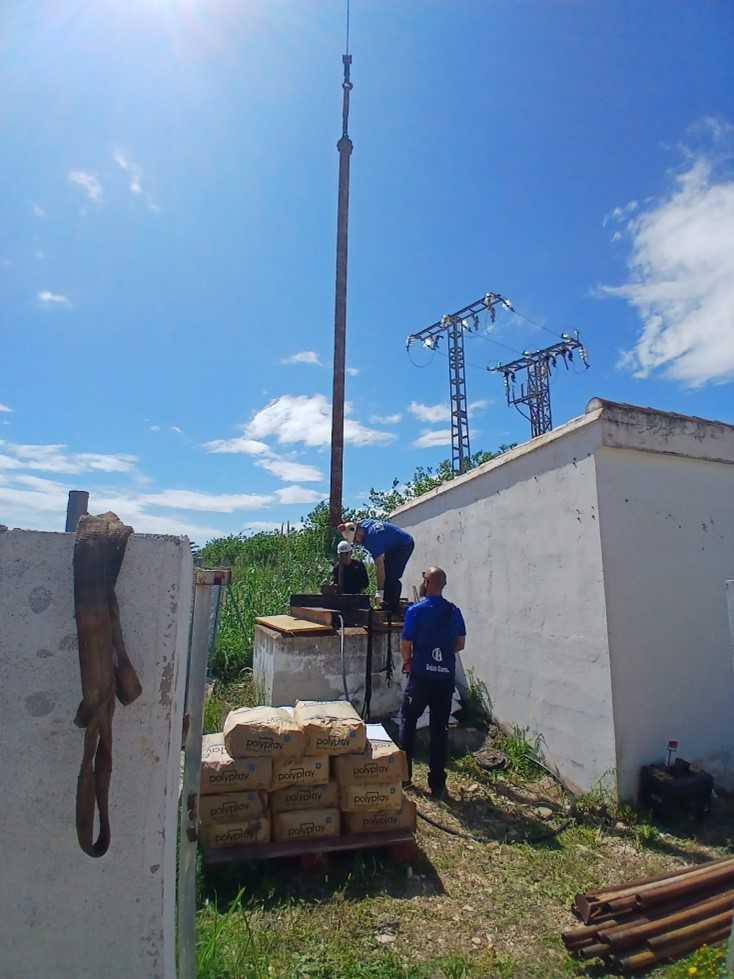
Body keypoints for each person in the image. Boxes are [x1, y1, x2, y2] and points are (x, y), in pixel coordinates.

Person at [399, 567, 466, 799]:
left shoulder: (416, 611)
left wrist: (408, 662)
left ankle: (404, 776)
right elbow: (460, 643)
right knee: (440, 730)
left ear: (426, 582)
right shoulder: (453, 611)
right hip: (444, 680)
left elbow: (406, 643)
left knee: (408, 721)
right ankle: (437, 784)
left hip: (420, 678)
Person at [338, 519, 414, 613]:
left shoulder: (371, 539)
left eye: (355, 541)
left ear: (358, 534)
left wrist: (380, 592)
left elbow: (379, 567)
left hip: (404, 545)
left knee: (391, 576)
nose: (357, 543)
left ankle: (392, 608)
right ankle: (386, 604)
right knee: (387, 575)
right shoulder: (363, 525)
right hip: (392, 546)